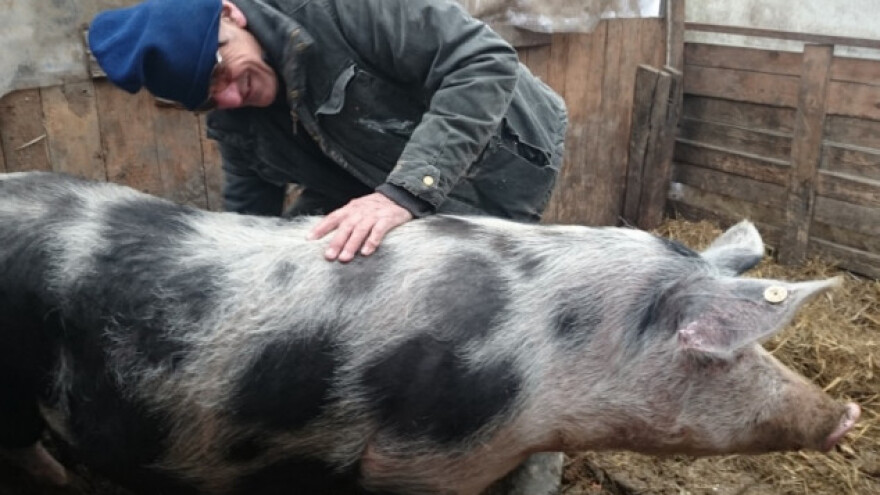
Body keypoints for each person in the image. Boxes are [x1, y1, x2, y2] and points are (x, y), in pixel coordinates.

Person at [88, 0, 568, 265]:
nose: (230, 98)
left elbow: (482, 62)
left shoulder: (340, 9)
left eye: (218, 70)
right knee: (318, 254)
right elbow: (249, 218)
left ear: (230, 14)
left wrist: (402, 194)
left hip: (507, 151)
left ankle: (531, 443)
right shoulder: (235, 119)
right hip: (367, 173)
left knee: (494, 293)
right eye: (208, 99)